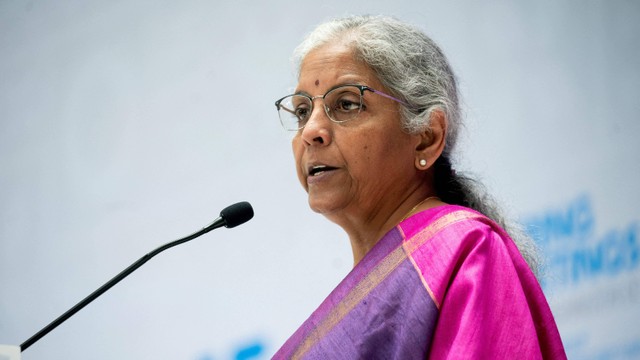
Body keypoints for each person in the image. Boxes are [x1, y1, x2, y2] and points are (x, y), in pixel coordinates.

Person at [272, 15, 566, 359]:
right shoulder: (356, 296)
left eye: (347, 104)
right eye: (302, 111)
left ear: (427, 138)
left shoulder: (467, 251)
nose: (311, 131)